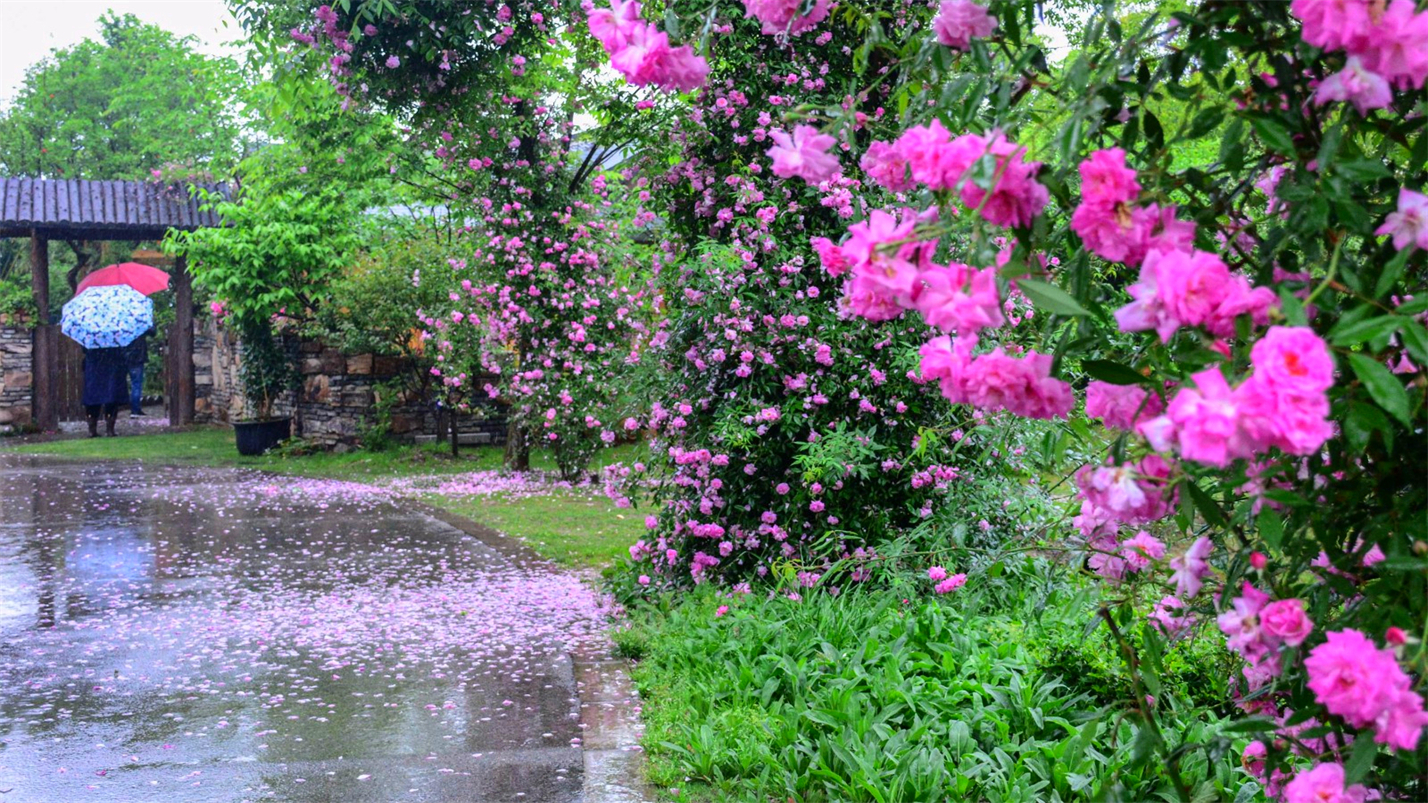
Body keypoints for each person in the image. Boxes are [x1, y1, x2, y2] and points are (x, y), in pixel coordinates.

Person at [82, 346, 129, 437]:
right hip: (112, 365)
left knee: (93, 398)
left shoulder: (90, 335)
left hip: (94, 367)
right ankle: (110, 430)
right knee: (111, 397)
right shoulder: (115, 335)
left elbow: (84, 348)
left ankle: (92, 430)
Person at [123, 327, 154, 416]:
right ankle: (135, 409)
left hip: (124, 356)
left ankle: (132, 407)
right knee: (136, 384)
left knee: (127, 383)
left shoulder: (123, 322)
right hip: (137, 357)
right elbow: (153, 332)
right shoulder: (141, 323)